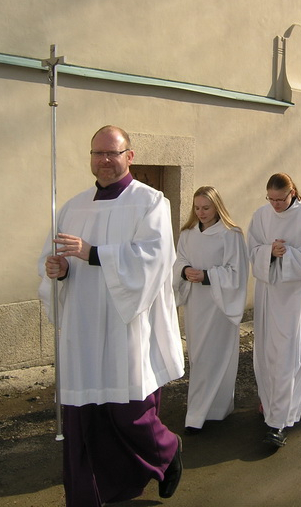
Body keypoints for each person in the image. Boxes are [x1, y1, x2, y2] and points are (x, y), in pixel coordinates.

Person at [38, 125, 185, 505]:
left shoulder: (151, 202)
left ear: (129, 156)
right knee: (84, 419)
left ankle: (167, 453)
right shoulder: (72, 207)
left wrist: (93, 253)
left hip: (126, 326)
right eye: (97, 153)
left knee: (130, 415)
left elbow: (154, 260)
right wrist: (60, 271)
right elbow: (53, 263)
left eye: (112, 153)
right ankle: (90, 495)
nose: (104, 161)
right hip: (82, 327)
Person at [248, 173, 301, 447]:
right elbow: (252, 250)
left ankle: (279, 421)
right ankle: (270, 405)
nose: (275, 205)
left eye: (280, 199)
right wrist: (268, 252)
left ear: (292, 192)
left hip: (297, 298)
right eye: (270, 199)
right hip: (270, 293)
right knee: (267, 354)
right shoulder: (261, 215)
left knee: (289, 356)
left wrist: (289, 254)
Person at [173, 186, 248, 435]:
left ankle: (207, 412)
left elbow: (237, 272)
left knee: (217, 355)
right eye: (197, 208)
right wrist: (184, 271)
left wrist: (207, 275)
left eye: (206, 207)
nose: (201, 212)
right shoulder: (187, 234)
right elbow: (179, 260)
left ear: (217, 206)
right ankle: (200, 409)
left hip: (219, 306)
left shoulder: (231, 234)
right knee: (198, 356)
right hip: (196, 304)